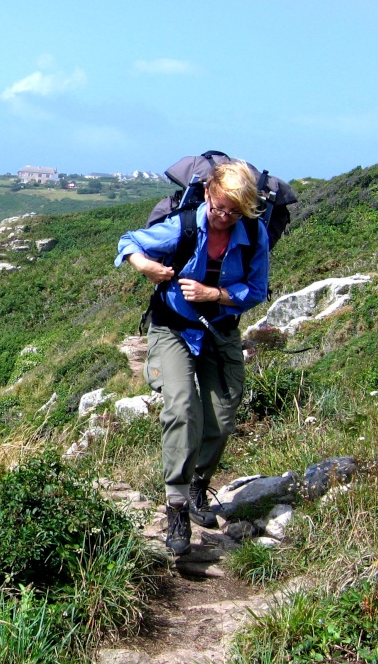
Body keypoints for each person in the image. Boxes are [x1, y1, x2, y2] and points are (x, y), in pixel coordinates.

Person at [115, 161, 269, 555]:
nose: (224, 218)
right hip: (174, 328)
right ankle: (178, 505)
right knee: (182, 407)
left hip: (220, 329)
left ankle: (200, 483)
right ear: (207, 195)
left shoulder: (253, 232)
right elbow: (129, 241)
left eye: (235, 212)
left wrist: (213, 294)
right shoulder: (183, 227)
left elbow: (257, 289)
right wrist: (144, 264)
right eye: (219, 208)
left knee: (222, 413)